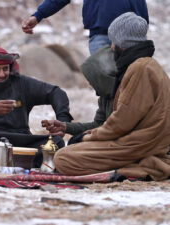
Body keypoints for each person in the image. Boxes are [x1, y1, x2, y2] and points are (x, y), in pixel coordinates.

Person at [52, 12, 170, 181]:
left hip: (140, 145)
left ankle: (144, 167)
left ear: (121, 43)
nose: (112, 46)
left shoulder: (140, 68)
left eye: (113, 41)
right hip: (137, 142)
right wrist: (72, 130)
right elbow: (112, 123)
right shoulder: (145, 66)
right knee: (72, 150)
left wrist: (87, 137)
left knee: (63, 158)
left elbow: (122, 122)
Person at [0, 46, 73, 167]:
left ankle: (2, 162)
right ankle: (16, 163)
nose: (1, 74)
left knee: (56, 142)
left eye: (5, 69)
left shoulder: (22, 83)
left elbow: (57, 93)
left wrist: (63, 123)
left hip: (21, 140)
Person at [42, 45, 116, 144]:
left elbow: (114, 130)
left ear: (102, 78)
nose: (90, 84)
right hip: (107, 139)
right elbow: (98, 124)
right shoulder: (105, 97)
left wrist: (86, 137)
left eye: (92, 80)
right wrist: (65, 126)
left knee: (65, 153)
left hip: (119, 143)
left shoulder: (121, 95)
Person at [21, 0, 149, 54]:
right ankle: (108, 111)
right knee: (105, 86)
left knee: (134, 83)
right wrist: (38, 15)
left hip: (130, 36)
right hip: (100, 35)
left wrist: (142, 29)